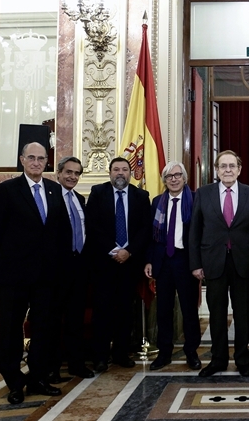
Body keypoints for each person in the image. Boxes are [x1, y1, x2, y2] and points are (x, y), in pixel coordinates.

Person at [0, 142, 70, 405]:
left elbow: (62, 233)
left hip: (47, 277)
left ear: (47, 162)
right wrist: (12, 258)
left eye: (41, 158)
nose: (36, 162)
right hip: (15, 275)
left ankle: (38, 378)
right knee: (11, 329)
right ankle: (14, 382)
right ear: (22, 160)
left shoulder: (55, 190)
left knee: (44, 328)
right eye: (31, 158)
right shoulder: (8, 189)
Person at [190, 150, 249, 378]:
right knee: (217, 314)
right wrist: (196, 264)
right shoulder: (203, 194)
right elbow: (195, 231)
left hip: (243, 263)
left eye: (232, 166)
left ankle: (242, 360)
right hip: (213, 263)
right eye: (223, 166)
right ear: (216, 170)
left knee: (243, 315)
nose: (228, 170)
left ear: (239, 169)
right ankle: (218, 360)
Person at [85, 157, 151, 373]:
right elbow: (92, 226)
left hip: (130, 264)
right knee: (102, 311)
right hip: (104, 263)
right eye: (116, 169)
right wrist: (114, 250)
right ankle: (100, 357)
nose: (120, 173)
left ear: (130, 173)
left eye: (124, 169)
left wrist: (128, 251)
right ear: (110, 172)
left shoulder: (141, 196)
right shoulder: (97, 193)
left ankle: (122, 353)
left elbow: (144, 229)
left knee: (125, 311)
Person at [145, 161, 202, 372]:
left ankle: (191, 352)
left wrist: (199, 263)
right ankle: (164, 353)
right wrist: (150, 260)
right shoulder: (157, 202)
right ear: (164, 180)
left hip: (186, 262)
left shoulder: (195, 200)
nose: (174, 179)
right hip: (164, 262)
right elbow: (151, 236)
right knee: (163, 311)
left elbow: (201, 234)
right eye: (169, 176)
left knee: (189, 310)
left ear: (185, 178)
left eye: (178, 175)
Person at [47, 156, 94, 382]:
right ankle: (53, 368)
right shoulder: (50, 197)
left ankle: (76, 364)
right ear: (58, 173)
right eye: (68, 172)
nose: (72, 177)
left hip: (79, 269)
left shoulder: (79, 199)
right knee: (54, 321)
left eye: (76, 173)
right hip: (56, 271)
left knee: (75, 320)